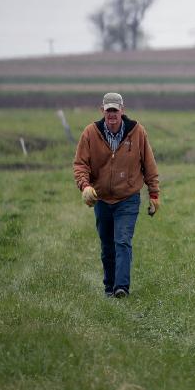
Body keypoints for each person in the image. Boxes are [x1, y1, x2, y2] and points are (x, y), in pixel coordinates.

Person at [73, 92, 160, 298]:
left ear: (122, 110)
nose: (112, 114)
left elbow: (149, 164)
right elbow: (80, 164)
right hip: (101, 198)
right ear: (102, 111)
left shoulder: (137, 132)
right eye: (108, 110)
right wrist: (85, 186)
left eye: (115, 110)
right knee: (107, 246)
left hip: (128, 198)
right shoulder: (90, 133)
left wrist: (154, 194)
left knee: (122, 241)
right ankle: (109, 288)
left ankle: (121, 288)